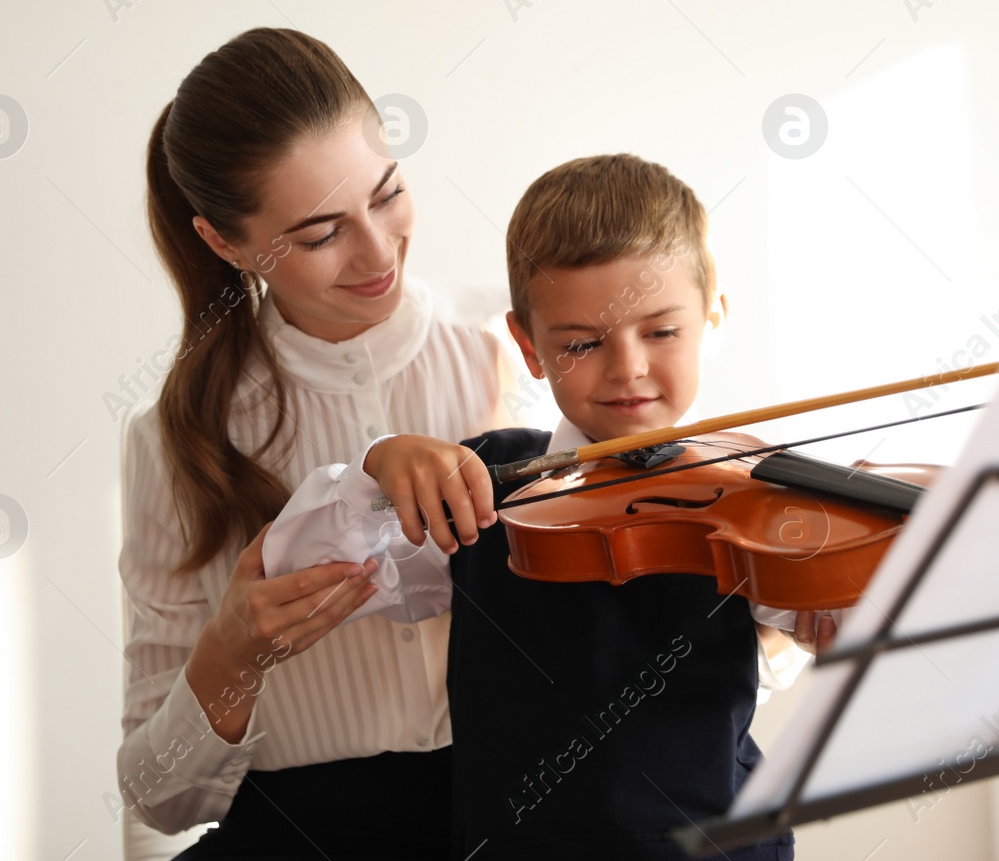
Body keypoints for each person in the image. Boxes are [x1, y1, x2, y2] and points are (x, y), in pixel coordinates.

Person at [265, 154, 810, 859]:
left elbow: (832, 614)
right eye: (582, 342)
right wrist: (376, 467)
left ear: (713, 318)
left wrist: (840, 619)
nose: (628, 367)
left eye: (661, 331)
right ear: (527, 344)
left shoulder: (752, 490)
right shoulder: (488, 484)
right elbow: (301, 560)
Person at [116, 27, 507, 861]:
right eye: (321, 233)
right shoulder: (175, 442)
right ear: (226, 243)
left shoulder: (516, 353)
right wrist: (231, 653)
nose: (377, 252)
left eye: (389, 192)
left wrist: (779, 621)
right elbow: (159, 798)